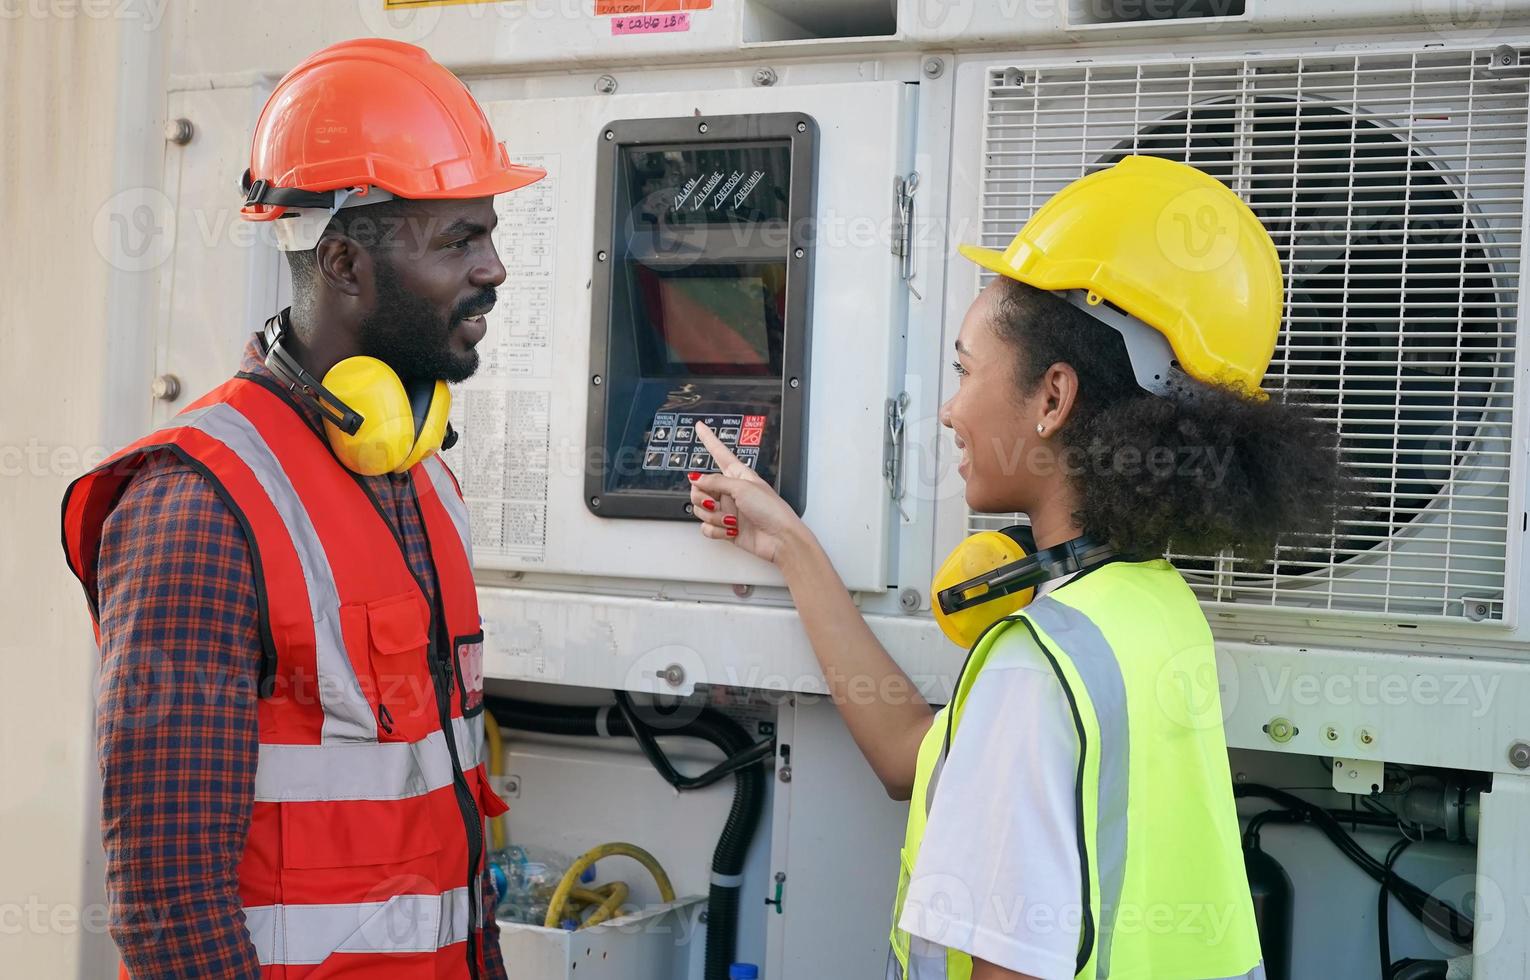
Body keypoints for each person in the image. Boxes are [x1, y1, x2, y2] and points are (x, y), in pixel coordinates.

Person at [686, 156, 1346, 979]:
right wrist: (792, 546)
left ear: (1052, 399)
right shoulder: (1148, 609)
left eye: (965, 370)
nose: (950, 408)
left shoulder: (1035, 669)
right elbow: (914, 758)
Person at [60, 39, 545, 978]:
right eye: (459, 240)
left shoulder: (423, 479)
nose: (494, 269)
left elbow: (448, 832)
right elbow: (171, 908)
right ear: (344, 263)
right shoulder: (197, 505)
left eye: (489, 233)